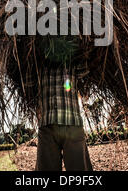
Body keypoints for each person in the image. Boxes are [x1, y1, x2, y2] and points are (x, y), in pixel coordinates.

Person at [33, 36, 93, 171]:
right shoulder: (39, 66)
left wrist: (81, 47)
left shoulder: (71, 62)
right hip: (48, 127)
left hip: (71, 124)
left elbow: (84, 70)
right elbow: (27, 82)